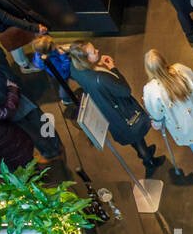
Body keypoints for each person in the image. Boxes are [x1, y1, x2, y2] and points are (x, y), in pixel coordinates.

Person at [66, 41, 161, 172]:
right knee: (137, 137)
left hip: (108, 113)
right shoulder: (100, 79)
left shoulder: (75, 68)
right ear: (85, 59)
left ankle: (143, 152)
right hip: (123, 114)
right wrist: (113, 68)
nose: (98, 51)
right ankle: (148, 159)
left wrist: (97, 64)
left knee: (133, 139)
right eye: (93, 52)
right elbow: (125, 90)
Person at [142, 50, 193, 176]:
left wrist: (156, 123)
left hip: (182, 124)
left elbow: (156, 113)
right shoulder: (180, 69)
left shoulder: (151, 90)